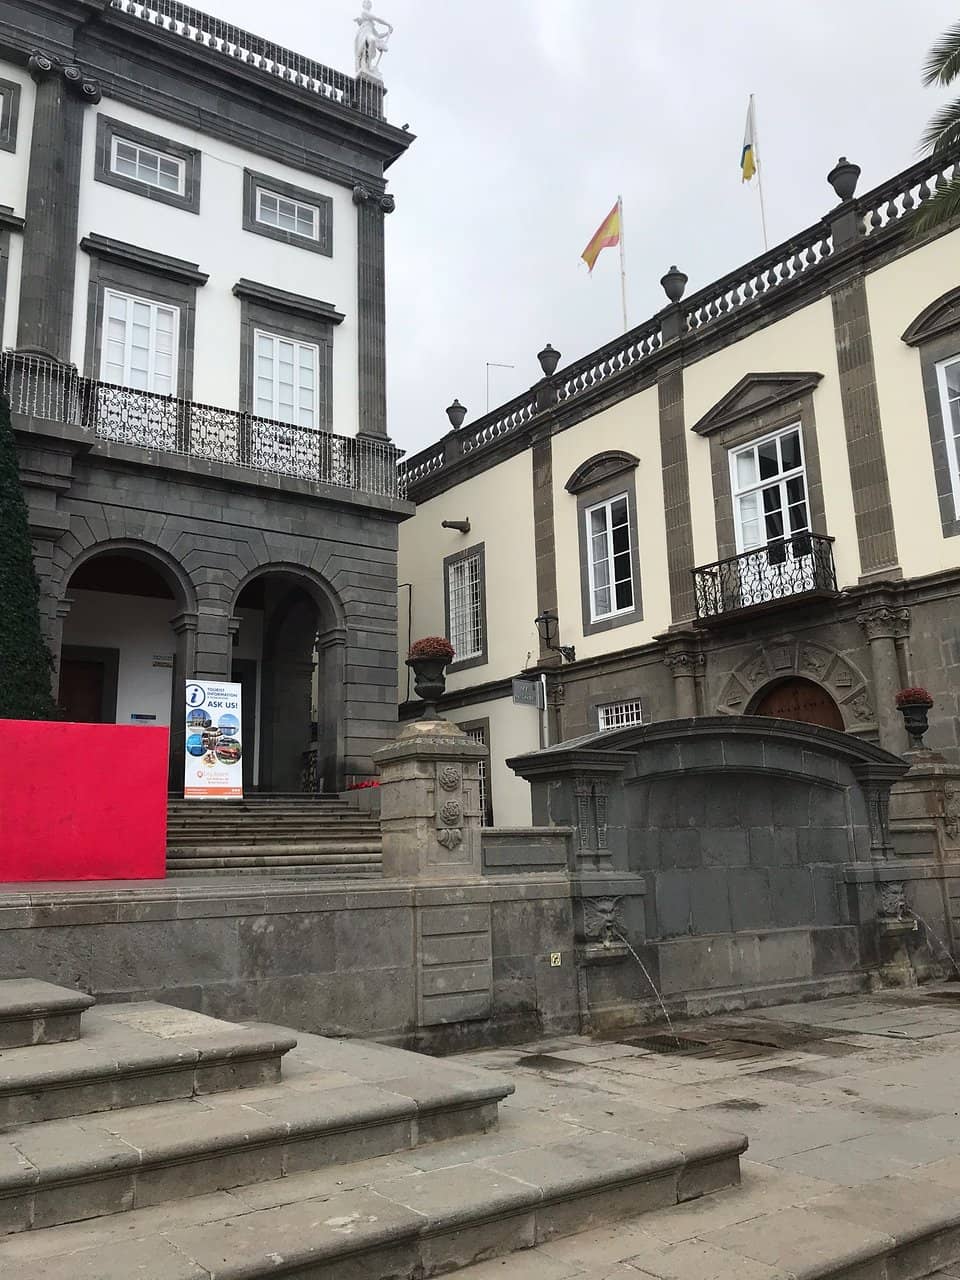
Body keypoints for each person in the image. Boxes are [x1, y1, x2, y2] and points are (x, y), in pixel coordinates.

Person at [354, 0, 392, 79]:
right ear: (363, 5)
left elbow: (378, 35)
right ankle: (365, 65)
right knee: (371, 40)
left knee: (372, 41)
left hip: (370, 34)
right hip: (363, 34)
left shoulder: (371, 25)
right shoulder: (364, 13)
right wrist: (388, 24)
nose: (368, 3)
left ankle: (367, 66)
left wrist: (387, 33)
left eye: (369, 2)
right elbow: (377, 18)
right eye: (366, 2)